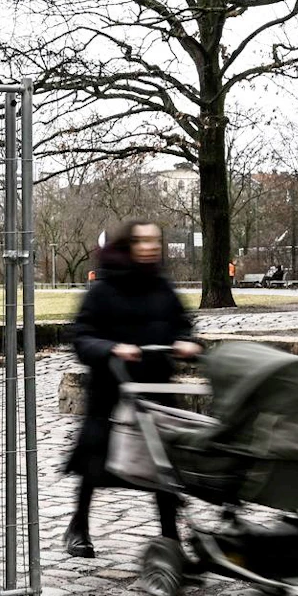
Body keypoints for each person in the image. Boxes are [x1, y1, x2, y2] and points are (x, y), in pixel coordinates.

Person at [63, 220, 201, 558]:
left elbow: (183, 325)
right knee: (96, 460)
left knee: (163, 463)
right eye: (143, 241)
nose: (151, 246)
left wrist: (186, 343)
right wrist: (111, 348)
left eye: (156, 240)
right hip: (113, 389)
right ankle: (79, 524)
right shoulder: (103, 290)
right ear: (128, 245)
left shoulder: (163, 288)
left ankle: (171, 538)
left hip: (155, 388)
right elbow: (82, 336)